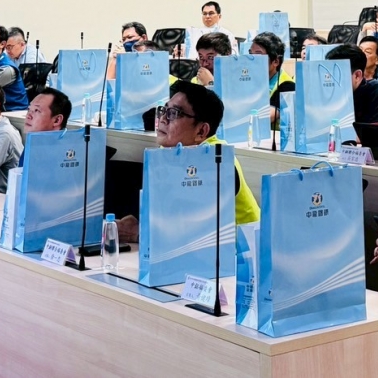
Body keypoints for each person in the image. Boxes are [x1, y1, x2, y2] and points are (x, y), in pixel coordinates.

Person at [116, 81, 260, 242]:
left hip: (244, 250)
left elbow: (197, 233)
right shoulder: (173, 150)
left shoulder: (215, 162)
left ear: (201, 131)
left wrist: (138, 233)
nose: (163, 119)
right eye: (164, 110)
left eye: (174, 113)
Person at [326, 43, 378, 124]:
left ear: (357, 76)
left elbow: (377, 130)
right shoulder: (329, 93)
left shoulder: (375, 90)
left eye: (336, 74)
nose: (331, 78)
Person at [18, 88, 73, 165]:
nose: (28, 116)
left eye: (37, 110)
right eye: (29, 109)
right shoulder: (34, 143)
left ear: (57, 120)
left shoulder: (68, 155)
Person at [250, 31, 292, 125]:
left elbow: (266, 117)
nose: (252, 59)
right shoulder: (251, 81)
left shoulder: (287, 86)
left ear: (275, 62)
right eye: (250, 54)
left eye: (258, 55)